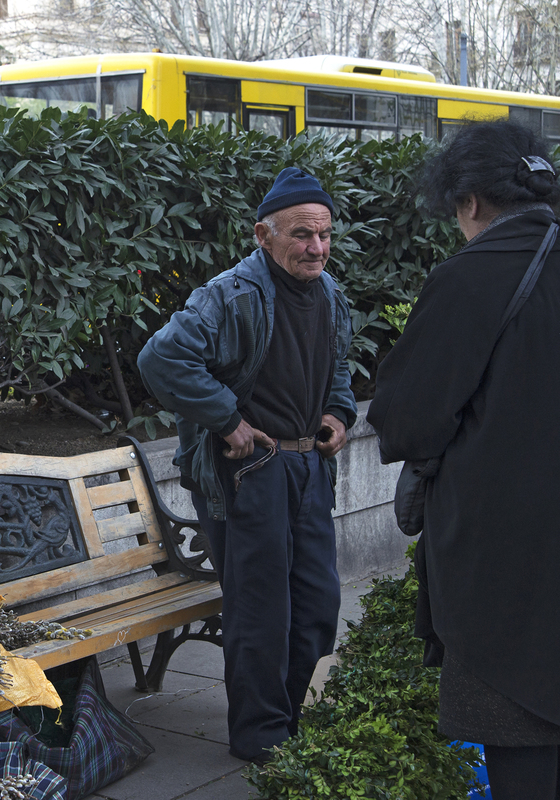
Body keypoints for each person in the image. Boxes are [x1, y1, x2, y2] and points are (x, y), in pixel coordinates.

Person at [135, 167, 357, 763]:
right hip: (249, 475)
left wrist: (338, 416)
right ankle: (261, 737)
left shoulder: (331, 294)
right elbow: (161, 358)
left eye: (325, 234)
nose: (316, 247)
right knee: (260, 614)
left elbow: (338, 370)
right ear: (264, 234)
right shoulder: (230, 294)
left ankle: (283, 717)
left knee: (315, 607)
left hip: (309, 472)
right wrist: (227, 419)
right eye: (302, 234)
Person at [368, 120, 560, 800]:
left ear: (469, 201)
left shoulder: (471, 276)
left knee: (524, 756)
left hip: (509, 572)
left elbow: (405, 417)